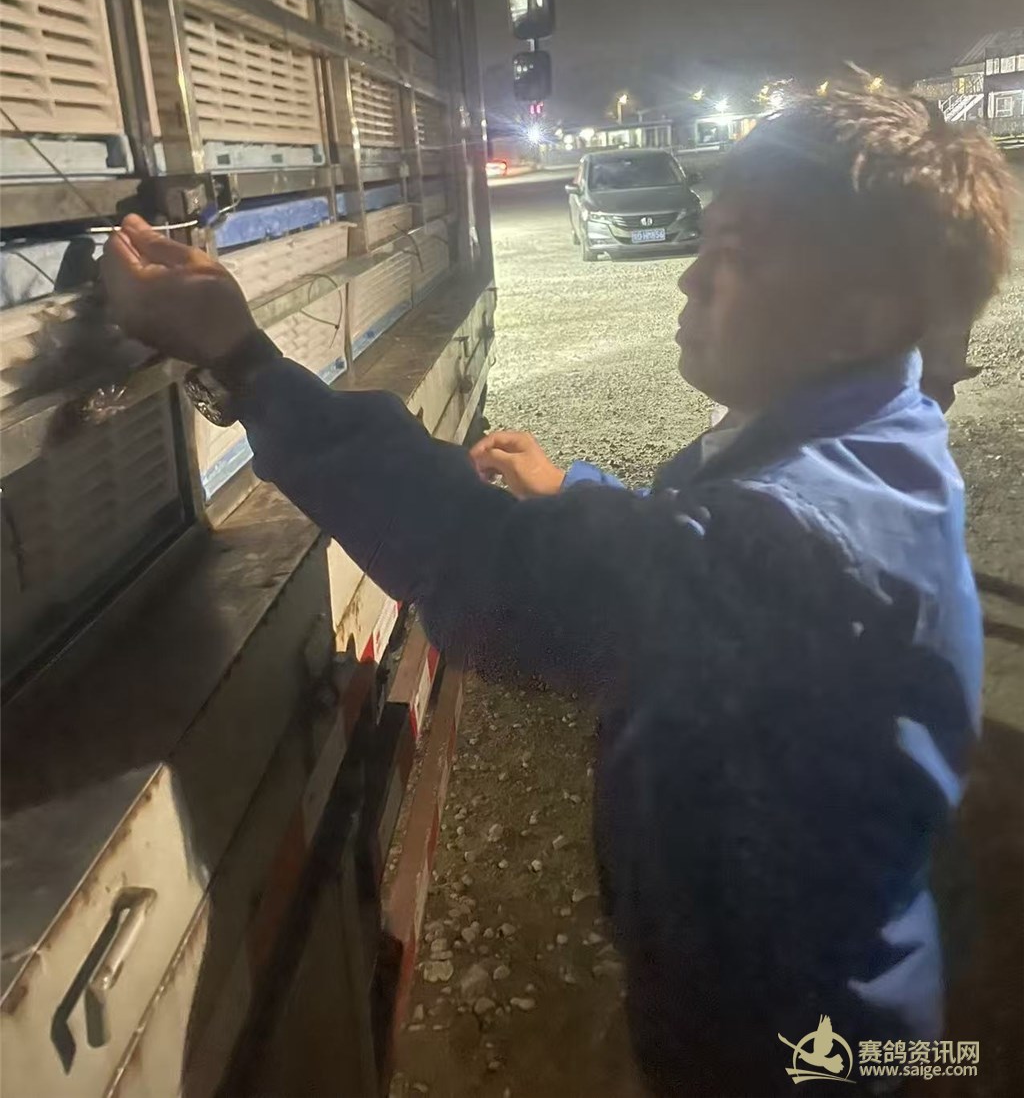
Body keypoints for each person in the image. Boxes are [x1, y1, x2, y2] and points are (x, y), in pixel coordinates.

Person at [102, 92, 1014, 1097]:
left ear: (862, 316)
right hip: (855, 978)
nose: (690, 275)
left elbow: (492, 570)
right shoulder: (875, 445)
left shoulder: (791, 542)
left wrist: (243, 361)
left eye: (738, 254)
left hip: (790, 1037)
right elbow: (707, 557)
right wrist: (577, 490)